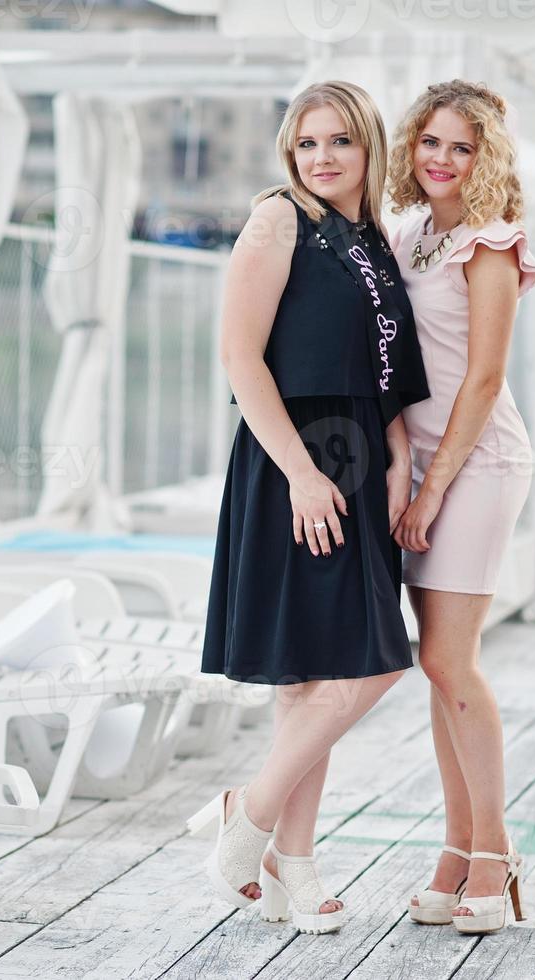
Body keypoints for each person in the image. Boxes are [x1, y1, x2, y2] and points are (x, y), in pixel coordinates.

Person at [192, 80, 429, 936]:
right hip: (297, 460)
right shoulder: (278, 219)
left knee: (316, 676)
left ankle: (292, 863)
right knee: (371, 663)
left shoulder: (367, 238)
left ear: (367, 147)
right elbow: (240, 356)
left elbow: (382, 365)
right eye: (305, 144)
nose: (321, 158)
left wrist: (400, 451)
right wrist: (296, 471)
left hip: (359, 460)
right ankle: (248, 819)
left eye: (338, 142)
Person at [387, 79, 535, 935]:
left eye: (462, 146)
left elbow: (481, 379)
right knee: (436, 665)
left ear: (486, 158)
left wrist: (435, 485)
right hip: (423, 468)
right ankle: (456, 850)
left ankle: (492, 850)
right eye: (431, 142)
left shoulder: (489, 244)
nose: (442, 159)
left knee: (453, 661)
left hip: (477, 463)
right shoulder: (409, 233)